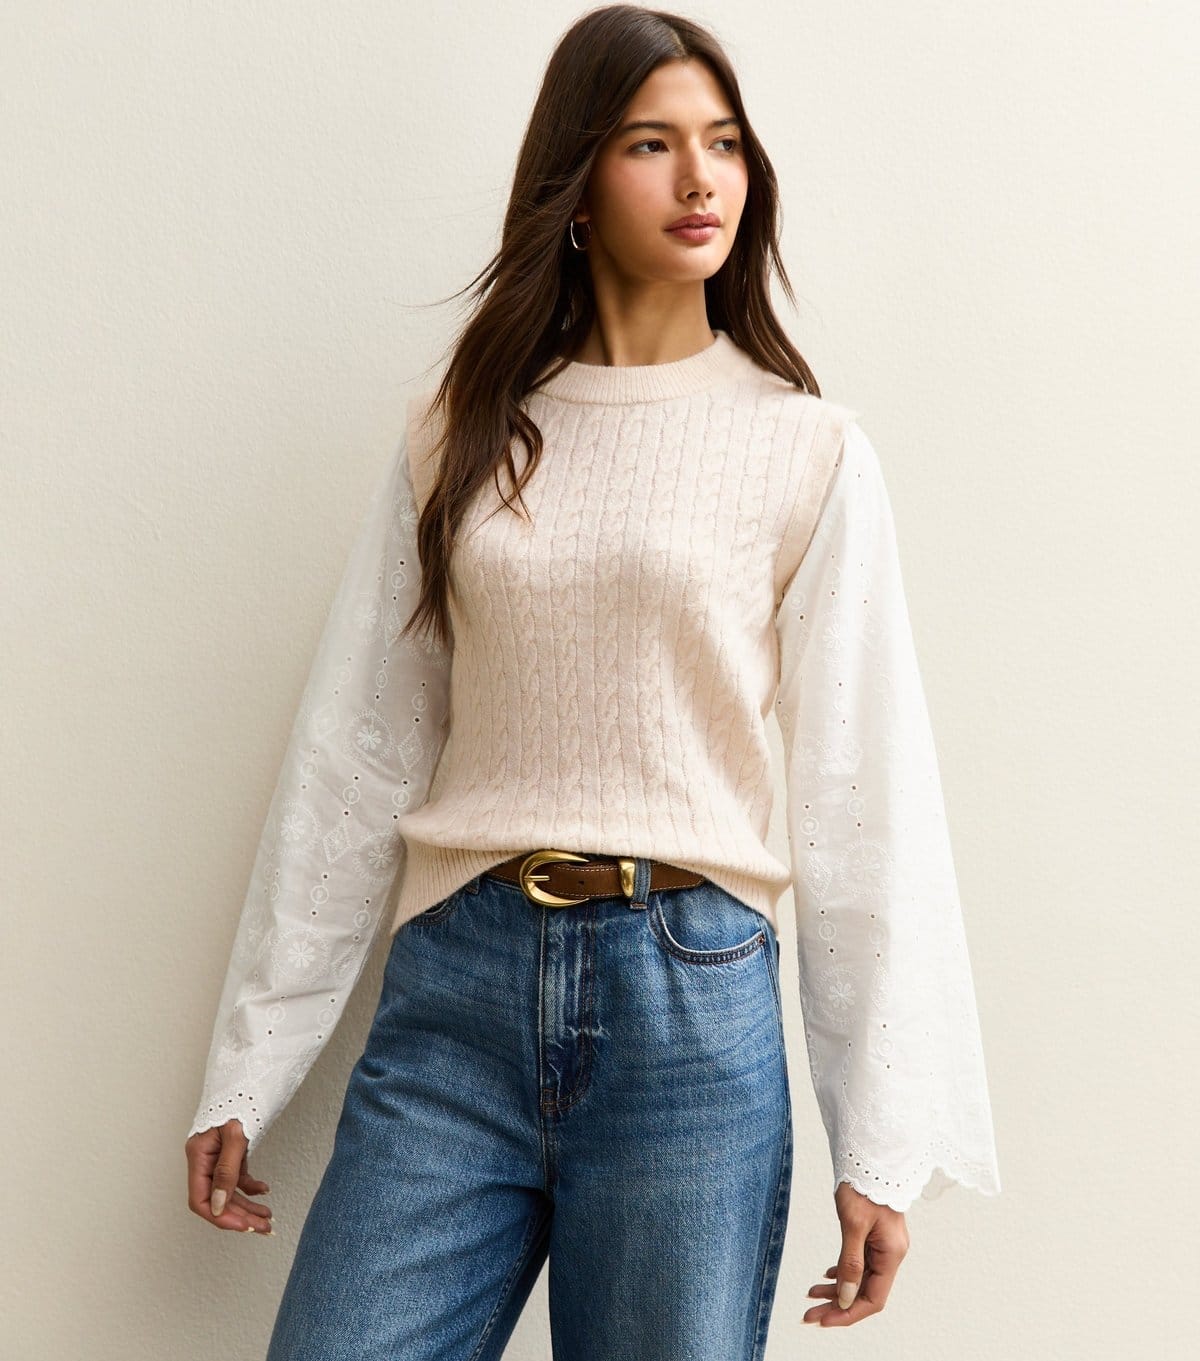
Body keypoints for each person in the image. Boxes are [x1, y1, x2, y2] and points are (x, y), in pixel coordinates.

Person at [184, 6, 1001, 1356]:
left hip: (692, 998)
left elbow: (867, 795)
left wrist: (884, 1137)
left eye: (724, 144)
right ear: (574, 181)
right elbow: (359, 747)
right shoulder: (460, 434)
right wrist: (249, 1061)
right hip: (454, 993)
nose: (701, 179)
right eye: (651, 143)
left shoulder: (806, 450)